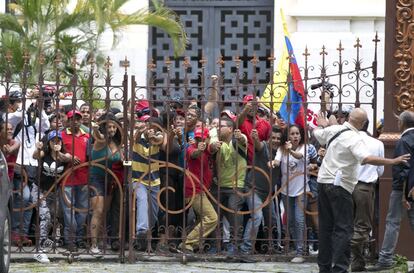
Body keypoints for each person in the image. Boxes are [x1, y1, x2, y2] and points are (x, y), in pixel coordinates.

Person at [313, 108, 410, 273]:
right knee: (344, 229)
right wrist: (393, 161)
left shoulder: (335, 130)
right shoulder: (355, 139)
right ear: (364, 123)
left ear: (349, 118)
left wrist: (323, 126)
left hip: (323, 183)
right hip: (341, 186)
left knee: (326, 227)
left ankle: (324, 267)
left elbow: (317, 133)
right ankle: (340, 269)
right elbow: (366, 159)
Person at [368, 111, 414, 272]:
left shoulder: (404, 141)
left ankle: (386, 258)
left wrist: (402, 194)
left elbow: (403, 169)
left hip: (403, 189)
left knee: (392, 223)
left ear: (401, 123)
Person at [240, 126, 283, 254]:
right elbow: (258, 145)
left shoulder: (282, 152)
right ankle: (245, 249)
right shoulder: (263, 146)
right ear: (268, 138)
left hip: (267, 192)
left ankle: (272, 246)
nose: (275, 140)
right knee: (257, 217)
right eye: (273, 138)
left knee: (272, 219)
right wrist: (256, 139)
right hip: (253, 189)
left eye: (278, 139)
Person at [271, 124, 309, 263]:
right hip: (287, 190)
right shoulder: (282, 149)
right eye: (292, 134)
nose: (295, 136)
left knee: (299, 220)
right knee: (291, 221)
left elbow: (299, 156)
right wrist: (273, 163)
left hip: (301, 189)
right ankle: (298, 246)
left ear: (301, 135)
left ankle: (301, 252)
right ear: (287, 137)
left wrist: (291, 151)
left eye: (297, 134)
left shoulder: (304, 147)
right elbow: (277, 160)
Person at [32, 130, 71, 263]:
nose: (56, 143)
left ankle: (47, 242)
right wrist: (38, 149)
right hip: (39, 190)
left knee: (53, 218)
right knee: (45, 215)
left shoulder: (63, 156)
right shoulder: (45, 154)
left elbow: (70, 158)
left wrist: (58, 152)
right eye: (53, 141)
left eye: (58, 140)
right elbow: (35, 156)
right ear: (48, 142)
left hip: (54, 193)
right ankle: (39, 250)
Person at [350, 120, 384, 272]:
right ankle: (356, 260)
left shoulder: (348, 140)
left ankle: (354, 261)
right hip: (365, 187)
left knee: (347, 224)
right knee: (362, 226)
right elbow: (380, 170)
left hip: (347, 185)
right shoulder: (376, 143)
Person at [210, 117, 247, 254]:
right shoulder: (218, 141)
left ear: (230, 129)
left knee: (233, 209)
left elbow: (243, 140)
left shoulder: (237, 140)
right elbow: (212, 146)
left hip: (236, 185)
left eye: (222, 126)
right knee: (214, 214)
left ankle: (235, 244)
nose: (219, 128)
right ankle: (215, 244)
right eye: (218, 126)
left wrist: (240, 137)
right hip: (218, 185)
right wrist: (214, 144)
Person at [89, 113, 123, 256]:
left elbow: (120, 158)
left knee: (104, 212)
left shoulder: (116, 143)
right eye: (109, 127)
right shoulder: (101, 140)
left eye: (114, 127)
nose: (112, 129)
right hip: (96, 178)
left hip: (110, 179)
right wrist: (96, 129)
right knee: (98, 210)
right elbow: (97, 135)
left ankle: (101, 239)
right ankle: (94, 244)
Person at [180, 127, 218, 252]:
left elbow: (212, 148)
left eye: (202, 138)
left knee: (201, 220)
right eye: (197, 138)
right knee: (212, 218)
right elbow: (193, 154)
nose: (199, 141)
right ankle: (188, 243)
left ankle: (192, 245)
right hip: (194, 190)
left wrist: (214, 145)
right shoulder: (191, 148)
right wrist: (199, 150)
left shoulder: (207, 148)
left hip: (201, 190)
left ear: (207, 138)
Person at [132, 116, 166, 251]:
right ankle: (141, 231)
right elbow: (134, 138)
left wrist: (154, 137)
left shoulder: (158, 139)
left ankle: (146, 235)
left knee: (153, 211)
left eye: (153, 127)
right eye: (148, 125)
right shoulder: (137, 138)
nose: (150, 129)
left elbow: (160, 140)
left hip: (154, 181)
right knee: (142, 199)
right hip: (137, 179)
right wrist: (141, 132)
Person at [60, 110, 90, 251]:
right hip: (67, 178)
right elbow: (54, 151)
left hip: (84, 178)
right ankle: (70, 240)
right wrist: (67, 156)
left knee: (82, 211)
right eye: (73, 119)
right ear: (68, 120)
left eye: (78, 119)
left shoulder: (87, 136)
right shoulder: (62, 135)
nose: (76, 121)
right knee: (68, 211)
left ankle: (78, 239)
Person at [237, 95, 271, 163]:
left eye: (254, 105)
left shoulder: (265, 123)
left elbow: (269, 142)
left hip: (262, 162)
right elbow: (236, 124)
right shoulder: (240, 121)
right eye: (249, 105)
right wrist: (245, 110)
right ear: (244, 107)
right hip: (243, 163)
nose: (252, 107)